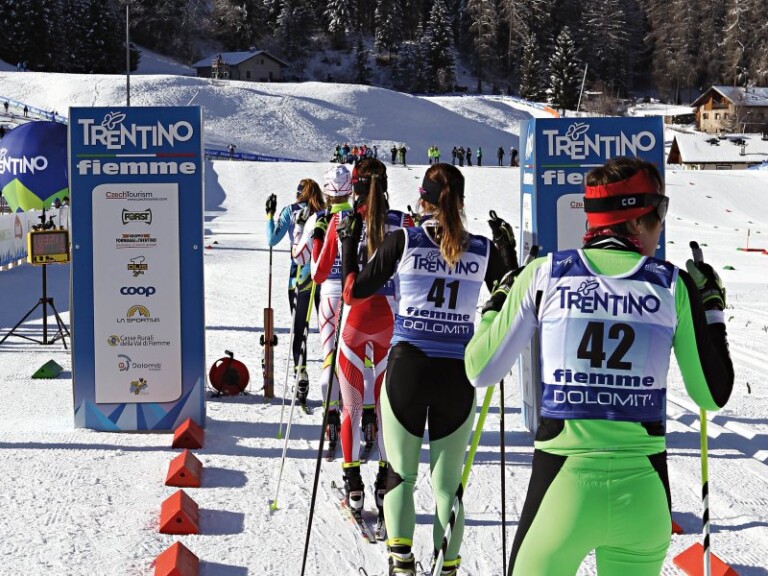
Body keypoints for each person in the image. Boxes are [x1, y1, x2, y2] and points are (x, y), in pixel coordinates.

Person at [465, 156, 734, 576]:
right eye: (661, 210)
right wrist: (712, 308)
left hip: (561, 494)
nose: (662, 224)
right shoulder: (672, 284)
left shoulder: (545, 274)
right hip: (643, 498)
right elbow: (712, 395)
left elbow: (480, 370)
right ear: (639, 219)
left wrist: (496, 305)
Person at [338, 163, 514, 576]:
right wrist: (508, 258)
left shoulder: (404, 239)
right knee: (447, 486)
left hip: (408, 370)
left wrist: (348, 244)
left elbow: (352, 293)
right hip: (457, 375)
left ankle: (401, 563)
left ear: (423, 201)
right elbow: (509, 296)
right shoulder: (481, 248)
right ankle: (447, 566)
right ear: (461, 202)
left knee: (401, 475)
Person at [318, 158, 414, 537]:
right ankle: (383, 486)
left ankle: (353, 486)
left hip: (354, 321)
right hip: (390, 322)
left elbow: (321, 272)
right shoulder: (404, 223)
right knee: (387, 411)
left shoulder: (342, 221)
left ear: (355, 186)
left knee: (351, 409)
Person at [293, 165, 354, 445]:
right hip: (357, 295)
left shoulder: (319, 218)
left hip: (329, 292)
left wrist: (299, 229)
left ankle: (330, 416)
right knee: (358, 358)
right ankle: (364, 416)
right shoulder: (360, 216)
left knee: (329, 354)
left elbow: (300, 258)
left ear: (327, 191)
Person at [266, 179, 325, 405]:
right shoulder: (327, 212)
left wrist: (269, 215)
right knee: (329, 328)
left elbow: (272, 239)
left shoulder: (290, 211)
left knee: (300, 327)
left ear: (299, 194)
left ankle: (301, 374)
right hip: (326, 277)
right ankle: (335, 378)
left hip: (299, 276)